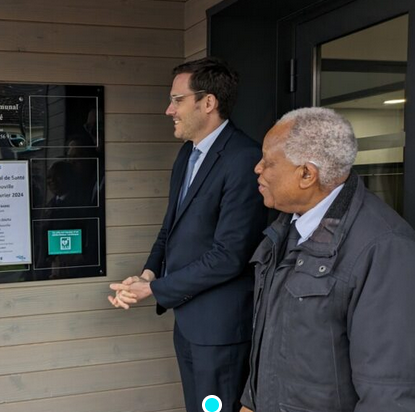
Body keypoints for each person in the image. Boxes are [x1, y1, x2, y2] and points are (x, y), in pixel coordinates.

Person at [109, 57, 268, 412]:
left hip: (222, 330)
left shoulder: (243, 158)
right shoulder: (187, 154)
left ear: (208, 102)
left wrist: (153, 289)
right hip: (190, 322)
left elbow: (229, 256)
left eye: (177, 100)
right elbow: (171, 227)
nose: (169, 110)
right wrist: (148, 272)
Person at [241, 107, 415, 412]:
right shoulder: (287, 228)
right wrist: (251, 402)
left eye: (268, 162)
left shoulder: (384, 248)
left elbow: (388, 391)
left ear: (307, 174)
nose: (257, 169)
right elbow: (275, 341)